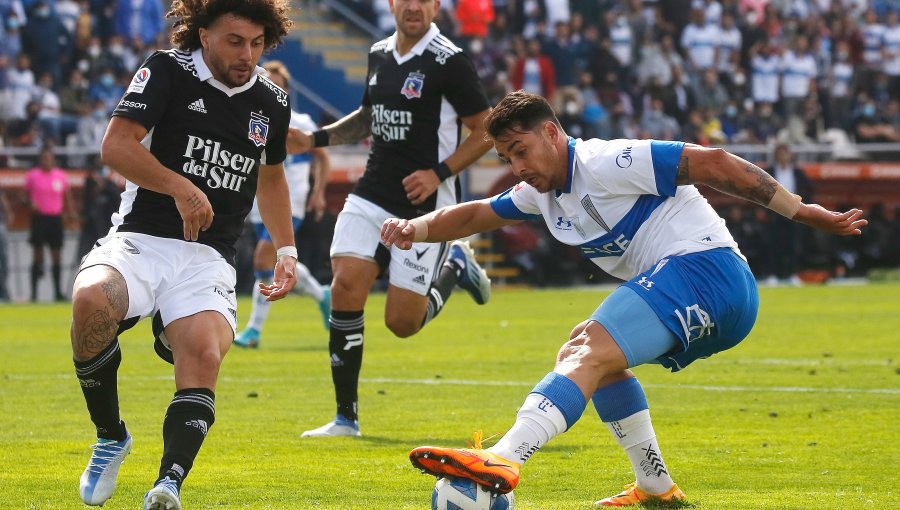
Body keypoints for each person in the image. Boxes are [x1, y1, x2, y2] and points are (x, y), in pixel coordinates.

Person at [382, 91, 866, 506]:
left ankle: (504, 458)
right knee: (592, 353)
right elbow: (473, 217)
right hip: (711, 292)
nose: (518, 167)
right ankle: (655, 486)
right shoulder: (540, 192)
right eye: (507, 158)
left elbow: (714, 163)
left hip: (707, 271)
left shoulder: (606, 161)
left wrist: (801, 211)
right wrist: (414, 228)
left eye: (521, 150)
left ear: (551, 133)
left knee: (586, 348)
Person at [70, 1, 295, 509]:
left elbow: (273, 176)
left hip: (208, 257)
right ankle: (110, 436)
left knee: (204, 352)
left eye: (257, 44)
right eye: (236, 41)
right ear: (204, 35)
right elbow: (116, 147)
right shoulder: (167, 69)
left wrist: (287, 247)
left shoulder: (273, 100)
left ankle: (168, 483)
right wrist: (182, 188)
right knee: (90, 302)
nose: (248, 54)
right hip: (141, 241)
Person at [287, 0, 494, 438]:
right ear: (392, 4)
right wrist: (316, 138)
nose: (414, 6)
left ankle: (456, 268)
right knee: (344, 285)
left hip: (427, 204)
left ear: (435, 6)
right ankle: (346, 418)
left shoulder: (450, 61)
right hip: (372, 191)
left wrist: (438, 173)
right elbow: (369, 117)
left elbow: (486, 129)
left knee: (401, 324)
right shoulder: (379, 52)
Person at [234, 60, 333, 346]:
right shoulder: (250, 118)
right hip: (258, 199)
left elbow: (322, 158)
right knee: (272, 264)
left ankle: (253, 330)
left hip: (291, 200)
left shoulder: (299, 122)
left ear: (286, 89)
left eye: (278, 83)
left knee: (262, 258)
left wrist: (319, 193)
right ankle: (321, 294)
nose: (272, 86)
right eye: (268, 82)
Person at [24, 146, 76, 302]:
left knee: (56, 255)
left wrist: (71, 216)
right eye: (44, 158)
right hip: (39, 218)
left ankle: (57, 292)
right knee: (38, 255)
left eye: (49, 158)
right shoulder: (33, 176)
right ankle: (34, 294)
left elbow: (68, 198)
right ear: (40, 160)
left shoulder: (60, 176)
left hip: (55, 219)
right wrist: (30, 203)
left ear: (53, 159)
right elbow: (23, 196)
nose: (47, 161)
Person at [764, 143, 813, 284]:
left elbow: (809, 189)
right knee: (774, 245)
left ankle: (792, 274)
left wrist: (804, 206)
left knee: (793, 244)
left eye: (785, 153)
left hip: (793, 212)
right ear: (776, 155)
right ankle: (773, 275)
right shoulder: (769, 171)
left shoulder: (798, 173)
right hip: (774, 212)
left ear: (790, 155)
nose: (783, 156)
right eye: (780, 153)